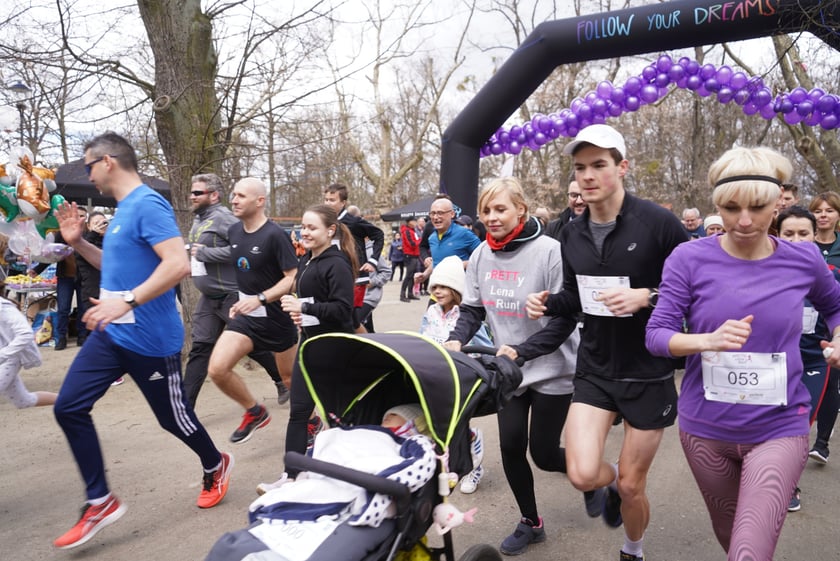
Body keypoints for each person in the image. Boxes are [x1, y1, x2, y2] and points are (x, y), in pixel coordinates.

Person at [645, 146, 840, 561]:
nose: (745, 220)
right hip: (705, 430)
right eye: (731, 208)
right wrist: (706, 340)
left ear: (778, 204)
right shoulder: (689, 258)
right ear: (718, 206)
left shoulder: (803, 258)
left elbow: (836, 306)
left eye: (757, 207)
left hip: (779, 427)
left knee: (748, 552)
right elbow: (657, 335)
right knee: (729, 533)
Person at [51, 132, 233, 550]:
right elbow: (116, 266)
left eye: (89, 166)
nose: (88, 175)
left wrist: (127, 300)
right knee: (69, 406)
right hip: (111, 332)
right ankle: (100, 501)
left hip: (149, 339)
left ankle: (215, 462)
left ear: (108, 162)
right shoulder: (121, 211)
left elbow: (178, 264)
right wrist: (78, 243)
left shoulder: (148, 204)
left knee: (173, 419)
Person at [525, 124, 687, 561]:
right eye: (580, 168)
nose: (588, 176)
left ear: (622, 167)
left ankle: (633, 549)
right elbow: (577, 298)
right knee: (581, 474)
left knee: (634, 488)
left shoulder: (659, 224)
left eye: (599, 165)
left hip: (648, 371)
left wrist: (648, 296)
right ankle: (611, 478)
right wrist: (548, 302)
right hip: (595, 367)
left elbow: (697, 291)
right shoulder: (570, 232)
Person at [445, 177, 581, 555]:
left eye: (500, 209)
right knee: (510, 445)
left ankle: (592, 476)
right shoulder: (480, 255)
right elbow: (472, 309)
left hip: (553, 366)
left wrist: (523, 350)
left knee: (544, 454)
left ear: (520, 209)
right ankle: (530, 522)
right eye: (486, 210)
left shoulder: (550, 251)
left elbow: (565, 320)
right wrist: (456, 337)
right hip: (510, 369)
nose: (491, 217)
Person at [255, 204, 357, 495]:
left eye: (312, 227)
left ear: (331, 230)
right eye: (303, 227)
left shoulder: (336, 263)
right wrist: (305, 316)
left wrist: (305, 308)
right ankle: (291, 476)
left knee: (339, 417)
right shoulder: (307, 260)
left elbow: (344, 310)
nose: (305, 232)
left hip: (334, 351)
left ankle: (350, 474)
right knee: (299, 412)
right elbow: (317, 305)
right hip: (309, 346)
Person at [182, 173, 289, 409]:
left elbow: (243, 249)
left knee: (253, 344)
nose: (192, 196)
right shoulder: (199, 220)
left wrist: (206, 254)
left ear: (213, 195)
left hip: (231, 294)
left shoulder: (225, 218)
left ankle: (282, 380)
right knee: (201, 347)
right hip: (209, 298)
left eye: (197, 192)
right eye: (192, 192)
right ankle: (185, 408)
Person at [207, 177, 299, 444]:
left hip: (276, 317)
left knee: (290, 380)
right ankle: (254, 411)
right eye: (233, 195)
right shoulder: (234, 231)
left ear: (259, 201)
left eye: (241, 196)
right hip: (247, 317)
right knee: (217, 369)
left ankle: (313, 421)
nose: (233, 200)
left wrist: (261, 298)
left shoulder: (275, 235)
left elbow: (292, 278)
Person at [775, 206, 840, 512]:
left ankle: (790, 483)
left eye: (804, 233)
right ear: (777, 236)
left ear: (815, 236)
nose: (797, 240)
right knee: (773, 423)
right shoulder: (765, 272)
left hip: (814, 361)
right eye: (789, 233)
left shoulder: (827, 274)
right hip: (775, 361)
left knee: (799, 424)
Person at [419, 255, 490, 495]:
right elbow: (422, 337)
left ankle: (473, 468)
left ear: (457, 288)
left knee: (456, 422)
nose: (437, 291)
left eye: (443, 286)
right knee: (442, 423)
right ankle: (466, 446)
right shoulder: (431, 312)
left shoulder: (467, 317)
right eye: (434, 287)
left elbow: (485, 347)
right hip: (437, 375)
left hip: (462, 376)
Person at [807, 191, 840, 464]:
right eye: (818, 211)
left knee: (831, 384)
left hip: (835, 326)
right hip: (804, 327)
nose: (823, 215)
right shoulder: (804, 244)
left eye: (829, 210)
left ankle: (821, 443)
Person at [323, 184, 384, 326]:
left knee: (349, 320)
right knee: (348, 321)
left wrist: (373, 261)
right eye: (326, 200)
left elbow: (379, 235)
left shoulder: (353, 222)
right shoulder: (324, 222)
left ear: (343, 203)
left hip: (355, 278)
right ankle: (368, 335)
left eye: (332, 200)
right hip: (333, 276)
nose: (327, 203)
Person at [33, 207, 88, 350]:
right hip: (65, 277)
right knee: (63, 309)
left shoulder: (88, 234)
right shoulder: (62, 233)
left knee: (83, 308)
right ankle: (61, 338)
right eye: (78, 215)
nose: (80, 218)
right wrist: (36, 270)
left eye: (83, 216)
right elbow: (51, 255)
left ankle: (82, 336)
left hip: (83, 278)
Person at [0, 285, 58, 408]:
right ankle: (72, 399)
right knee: (24, 401)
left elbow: (25, 333)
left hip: (10, 358)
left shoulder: (4, 308)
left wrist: (3, 354)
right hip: (6, 357)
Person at [75, 211, 108, 347]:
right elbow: (81, 252)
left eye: (104, 222)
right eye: (96, 223)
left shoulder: (111, 241)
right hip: (93, 294)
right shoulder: (83, 242)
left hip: (110, 294)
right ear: (88, 226)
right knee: (97, 334)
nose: (101, 225)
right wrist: (94, 233)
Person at [359, 241, 391, 333]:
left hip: (368, 297)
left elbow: (386, 272)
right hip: (355, 297)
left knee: (354, 324)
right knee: (368, 329)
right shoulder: (349, 249)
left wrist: (372, 282)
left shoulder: (372, 251)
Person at [399, 217, 421, 302]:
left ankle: (410, 293)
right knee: (408, 275)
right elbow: (412, 244)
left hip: (414, 255)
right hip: (410, 255)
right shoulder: (407, 231)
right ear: (409, 222)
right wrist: (420, 240)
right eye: (414, 221)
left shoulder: (413, 231)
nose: (416, 223)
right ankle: (402, 295)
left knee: (412, 275)